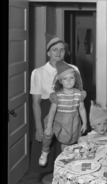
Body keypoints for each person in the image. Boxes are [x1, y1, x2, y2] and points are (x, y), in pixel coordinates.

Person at [30, 33, 82, 173]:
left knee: (69, 159)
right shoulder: (38, 72)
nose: (59, 52)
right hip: (49, 112)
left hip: (69, 115)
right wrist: (39, 127)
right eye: (55, 49)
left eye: (62, 49)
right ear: (48, 52)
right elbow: (36, 103)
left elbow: (79, 97)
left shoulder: (73, 70)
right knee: (48, 156)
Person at [40, 61, 87, 166]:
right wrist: (48, 127)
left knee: (67, 144)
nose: (69, 81)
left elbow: (82, 109)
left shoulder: (78, 94)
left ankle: (65, 163)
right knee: (48, 134)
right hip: (58, 121)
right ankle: (45, 151)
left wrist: (85, 123)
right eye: (65, 79)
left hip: (72, 122)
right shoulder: (57, 95)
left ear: (75, 79)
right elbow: (52, 111)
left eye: (71, 78)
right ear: (60, 81)